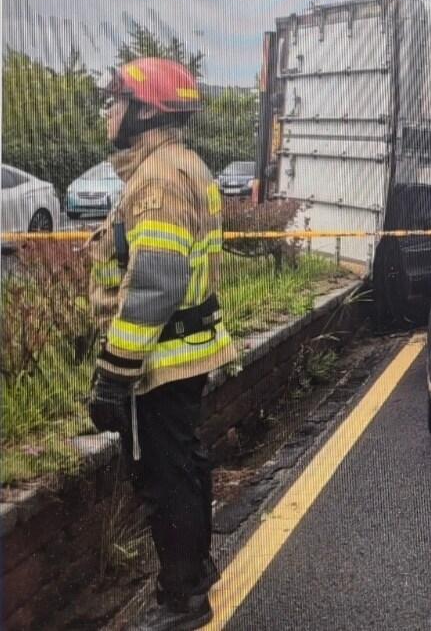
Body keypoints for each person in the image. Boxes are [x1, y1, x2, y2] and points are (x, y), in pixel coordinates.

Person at [87, 58, 237, 631]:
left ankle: (182, 601)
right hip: (181, 352)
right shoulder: (174, 166)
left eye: (115, 101)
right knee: (184, 467)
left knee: (164, 480)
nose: (108, 112)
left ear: (145, 111)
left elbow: (155, 282)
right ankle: (193, 573)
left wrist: (114, 373)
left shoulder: (160, 176)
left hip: (159, 361)